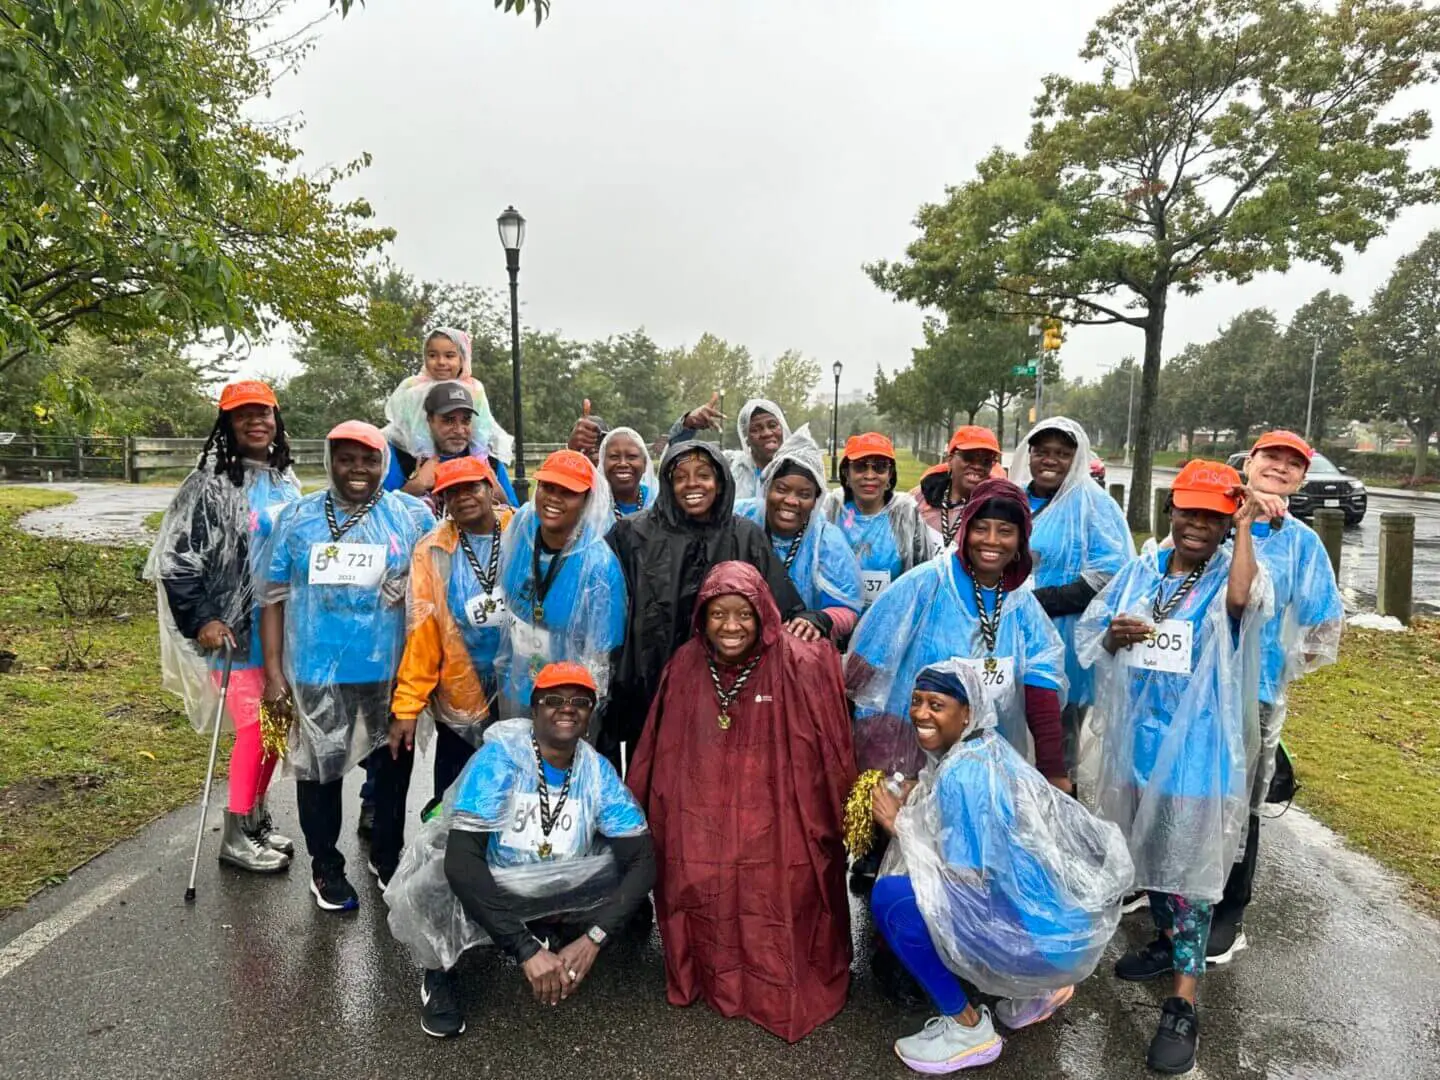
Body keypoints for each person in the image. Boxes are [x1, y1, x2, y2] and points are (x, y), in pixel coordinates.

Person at [1076, 459, 1276, 1075]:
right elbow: (1094, 636)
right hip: (1137, 746)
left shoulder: (1233, 575)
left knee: (1189, 875)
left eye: (1212, 517)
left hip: (1198, 751)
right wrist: (1115, 633)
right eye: (1189, 511)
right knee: (1149, 856)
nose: (1197, 525)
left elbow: (1243, 600)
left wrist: (1244, 528)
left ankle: (1183, 1003)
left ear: (1225, 524)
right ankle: (1165, 943)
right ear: (1171, 512)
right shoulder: (1142, 570)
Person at [628, 562, 855, 1042]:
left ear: (765, 615)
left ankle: (774, 985)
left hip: (778, 806)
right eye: (718, 614)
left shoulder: (800, 660)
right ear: (701, 618)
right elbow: (660, 749)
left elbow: (831, 748)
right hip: (703, 801)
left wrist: (835, 816)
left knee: (779, 881)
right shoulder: (686, 665)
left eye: (744, 615)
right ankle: (711, 977)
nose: (731, 627)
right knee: (698, 871)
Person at [871, 661, 1133, 1074]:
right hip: (1063, 935)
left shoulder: (964, 775)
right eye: (917, 701)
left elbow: (966, 881)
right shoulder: (985, 748)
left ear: (968, 712)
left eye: (936, 704)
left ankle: (968, 1031)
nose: (921, 713)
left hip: (1038, 939)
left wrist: (896, 824)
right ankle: (1040, 991)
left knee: (892, 899)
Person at [384, 663, 655, 1039]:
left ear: (591, 713)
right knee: (436, 881)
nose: (567, 708)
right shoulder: (501, 761)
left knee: (621, 869)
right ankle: (439, 974)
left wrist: (595, 937)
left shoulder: (597, 772)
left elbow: (642, 860)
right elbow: (464, 861)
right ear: (534, 710)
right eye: (553, 700)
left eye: (580, 701)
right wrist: (525, 949)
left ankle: (554, 925)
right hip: (491, 878)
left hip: (556, 879)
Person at [261, 420, 436, 912]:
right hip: (317, 672)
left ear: (384, 462)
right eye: (347, 458)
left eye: (369, 459)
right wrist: (275, 676)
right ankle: (325, 866)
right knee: (319, 774)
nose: (358, 468)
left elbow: (434, 586)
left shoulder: (411, 516)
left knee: (392, 774)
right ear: (330, 460)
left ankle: (387, 856)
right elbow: (271, 600)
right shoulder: (297, 519)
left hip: (389, 674)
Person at [146, 380, 300, 873]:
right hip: (233, 630)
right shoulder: (207, 484)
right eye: (243, 415)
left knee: (277, 723)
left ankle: (254, 817)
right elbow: (175, 561)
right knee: (255, 725)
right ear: (227, 425)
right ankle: (234, 833)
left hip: (280, 626)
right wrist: (202, 620)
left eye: (264, 413)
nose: (256, 422)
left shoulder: (283, 479)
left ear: (276, 419)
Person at [1204, 431, 1343, 965]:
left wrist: (1277, 667)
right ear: (1251, 461)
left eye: (1293, 464)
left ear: (1302, 478)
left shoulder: (1300, 542)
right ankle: (1167, 881)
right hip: (1185, 687)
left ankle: (1228, 913)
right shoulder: (1214, 517)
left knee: (1241, 803)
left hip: (1253, 696)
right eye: (1272, 458)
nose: (1280, 469)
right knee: (1179, 789)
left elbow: (1323, 625)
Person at [847, 477, 1069, 786]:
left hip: (982, 766)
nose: (991, 541)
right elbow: (863, 668)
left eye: (1005, 531)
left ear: (1021, 540)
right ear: (965, 532)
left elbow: (1041, 682)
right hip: (906, 755)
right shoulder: (923, 586)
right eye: (980, 528)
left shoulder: (1020, 604)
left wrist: (1052, 768)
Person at [603, 439, 809, 763]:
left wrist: (812, 620)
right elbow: (605, 608)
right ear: (668, 483)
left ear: (720, 480)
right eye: (681, 476)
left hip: (726, 687)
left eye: (703, 474)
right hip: (649, 684)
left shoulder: (744, 536)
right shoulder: (632, 535)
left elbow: (780, 606)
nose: (692, 484)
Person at [378, 458, 517, 883]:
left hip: (521, 691)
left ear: (490, 486)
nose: (463, 498)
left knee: (517, 792)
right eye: (451, 492)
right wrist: (407, 705)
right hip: (462, 697)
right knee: (456, 797)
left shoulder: (522, 531)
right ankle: (457, 880)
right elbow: (423, 634)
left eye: (471, 487)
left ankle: (513, 879)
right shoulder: (432, 550)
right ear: (441, 500)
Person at [1008, 418, 1135, 781]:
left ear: (1077, 459)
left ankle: (1061, 822)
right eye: (1042, 452)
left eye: (1063, 454)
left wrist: (1035, 601)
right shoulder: (1012, 497)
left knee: (1056, 747)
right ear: (1029, 454)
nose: (1051, 461)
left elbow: (1109, 577)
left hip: (1065, 645)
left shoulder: (1094, 505)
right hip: (1009, 637)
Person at [497, 449, 628, 716]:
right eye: (547, 486)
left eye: (567, 492)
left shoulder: (599, 566)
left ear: (587, 501)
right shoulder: (521, 528)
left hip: (565, 701)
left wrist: (580, 710)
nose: (553, 498)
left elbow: (603, 656)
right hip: (516, 683)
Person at [735, 424, 864, 643]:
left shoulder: (826, 541)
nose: (791, 501)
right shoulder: (740, 518)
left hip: (797, 652)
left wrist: (819, 619)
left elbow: (848, 607)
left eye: (804, 494)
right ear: (767, 489)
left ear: (816, 500)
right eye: (782, 489)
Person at [821, 432, 939, 609]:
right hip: (834, 618)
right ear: (846, 473)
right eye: (860, 467)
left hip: (889, 620)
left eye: (880, 467)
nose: (870, 475)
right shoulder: (831, 508)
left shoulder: (905, 513)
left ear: (890, 474)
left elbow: (923, 572)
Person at [382, 326, 513, 468]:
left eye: (449, 356)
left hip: (466, 455)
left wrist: (479, 462)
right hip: (414, 456)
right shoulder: (413, 387)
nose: (441, 362)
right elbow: (409, 424)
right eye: (432, 355)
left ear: (462, 358)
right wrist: (427, 461)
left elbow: (482, 427)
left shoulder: (473, 388)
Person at [383, 379, 519, 507]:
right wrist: (417, 485)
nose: (459, 430)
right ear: (429, 419)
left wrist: (494, 487)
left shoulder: (488, 460)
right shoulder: (403, 458)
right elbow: (376, 516)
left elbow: (515, 520)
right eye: (448, 420)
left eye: (466, 420)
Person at [663, 394, 790, 500]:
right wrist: (688, 424)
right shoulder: (729, 464)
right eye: (756, 429)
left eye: (773, 425)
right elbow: (676, 459)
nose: (767, 433)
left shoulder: (801, 468)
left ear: (782, 428)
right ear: (746, 437)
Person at [913, 426, 1004, 547]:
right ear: (950, 460)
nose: (977, 466)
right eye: (969, 457)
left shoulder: (999, 506)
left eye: (986, 460)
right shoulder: (920, 497)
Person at [597, 425, 657, 517]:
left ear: (645, 464)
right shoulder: (593, 503)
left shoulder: (658, 500)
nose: (623, 463)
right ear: (602, 463)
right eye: (614, 457)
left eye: (631, 457)